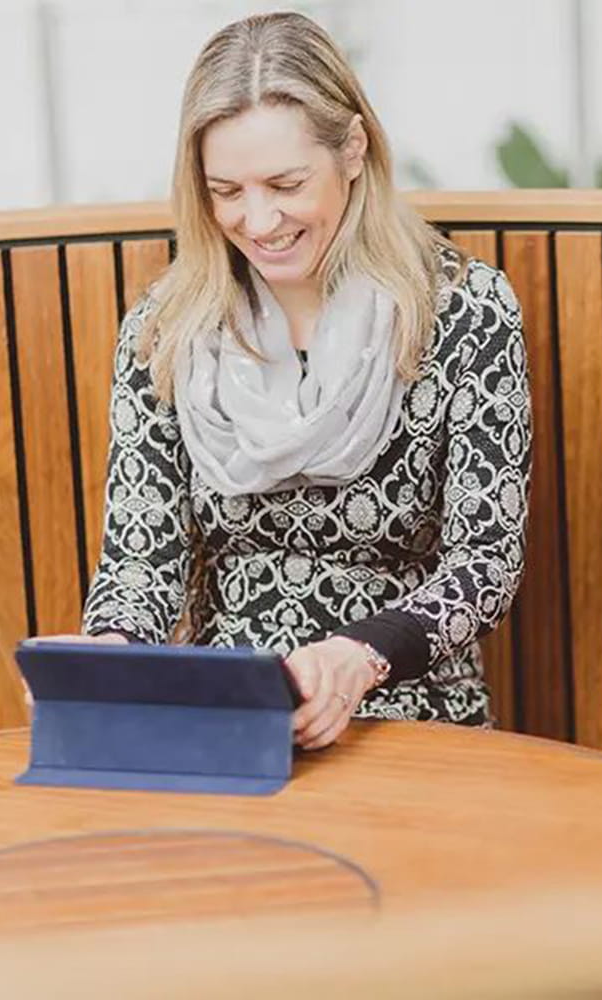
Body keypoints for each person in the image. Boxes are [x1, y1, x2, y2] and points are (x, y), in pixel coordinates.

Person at [54, 11, 532, 751]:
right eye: (226, 191)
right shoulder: (166, 328)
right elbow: (141, 557)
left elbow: (485, 563)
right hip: (227, 712)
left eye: (285, 183)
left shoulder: (465, 310)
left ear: (353, 150)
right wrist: (113, 652)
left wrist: (356, 659)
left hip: (411, 708)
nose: (258, 219)